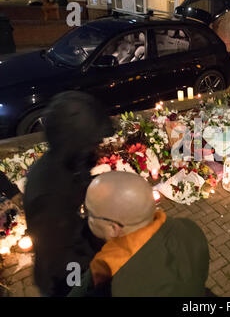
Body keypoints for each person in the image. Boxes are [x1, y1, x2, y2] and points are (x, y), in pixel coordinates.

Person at [23, 91, 113, 296]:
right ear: (75, 143)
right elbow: (63, 261)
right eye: (92, 143)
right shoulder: (49, 193)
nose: (97, 147)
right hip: (65, 280)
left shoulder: (65, 164)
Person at [68, 171, 210, 297]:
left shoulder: (112, 279)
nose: (85, 216)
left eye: (89, 212)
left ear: (113, 228)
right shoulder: (189, 229)